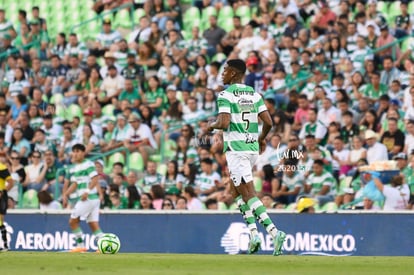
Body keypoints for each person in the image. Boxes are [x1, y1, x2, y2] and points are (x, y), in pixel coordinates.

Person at [207, 59, 286, 256]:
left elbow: (224, 123)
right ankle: (253, 234)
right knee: (235, 191)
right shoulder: (254, 94)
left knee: (249, 193)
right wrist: (261, 138)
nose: (222, 73)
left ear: (234, 73)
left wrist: (211, 125)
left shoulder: (225, 95)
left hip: (236, 149)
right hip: (251, 148)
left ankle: (274, 232)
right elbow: (268, 121)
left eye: (225, 70)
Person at [62, 144, 104, 252]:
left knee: (73, 221)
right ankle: (105, 247)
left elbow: (95, 179)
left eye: (78, 151)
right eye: (74, 151)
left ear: (83, 153)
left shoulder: (88, 164)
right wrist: (66, 194)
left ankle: (80, 246)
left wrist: (87, 191)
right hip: (93, 199)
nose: (75, 154)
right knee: (93, 224)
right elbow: (75, 183)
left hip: (88, 198)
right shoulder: (77, 167)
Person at [0, 153, 14, 252]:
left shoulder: (2, 168)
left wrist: (2, 191)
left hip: (1, 197)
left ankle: (5, 244)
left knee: (0, 220)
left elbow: (11, 182)